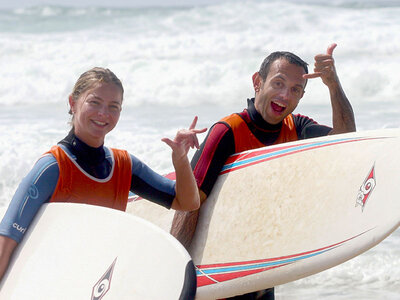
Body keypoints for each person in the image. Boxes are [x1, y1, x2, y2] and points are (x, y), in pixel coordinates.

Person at [170, 44, 356, 299]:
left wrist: (333, 84)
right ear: (258, 81)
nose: (285, 95)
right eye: (278, 83)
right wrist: (177, 279)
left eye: (295, 90)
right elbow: (189, 205)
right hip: (221, 273)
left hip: (261, 273)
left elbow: (345, 141)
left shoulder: (297, 128)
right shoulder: (227, 132)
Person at [0, 67, 207, 281]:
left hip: (96, 282)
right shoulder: (52, 167)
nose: (103, 113)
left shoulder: (123, 165)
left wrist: (181, 160)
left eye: (113, 106)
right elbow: (6, 242)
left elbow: (187, 202)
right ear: (73, 103)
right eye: (95, 102)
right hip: (52, 282)